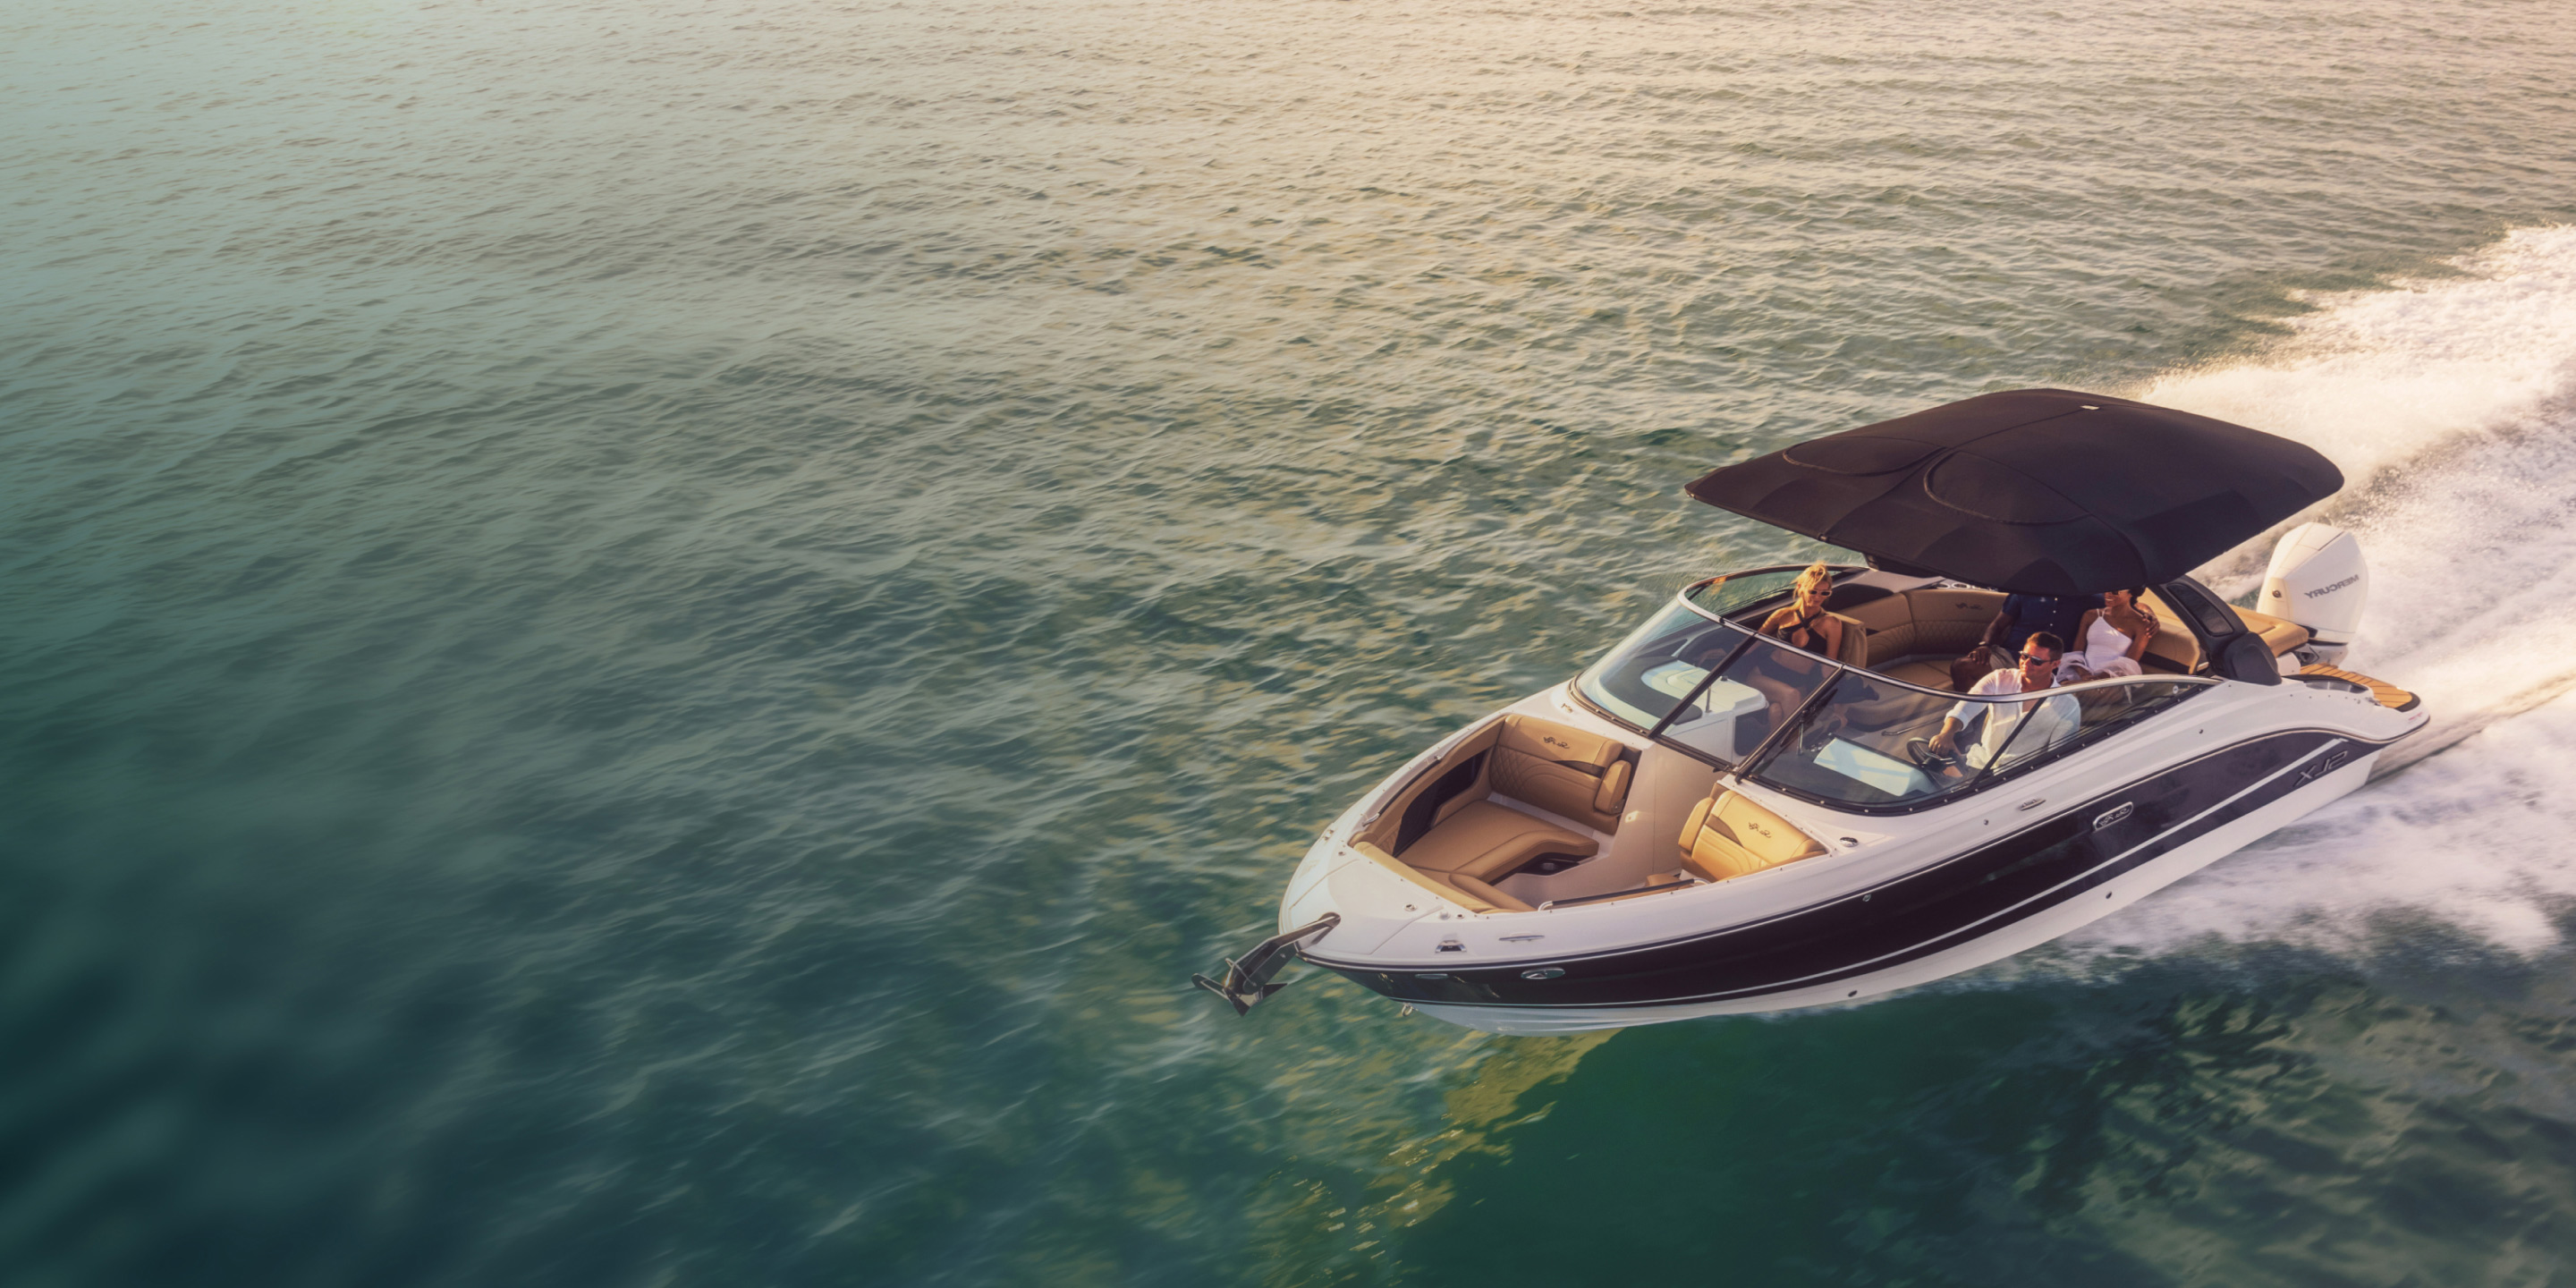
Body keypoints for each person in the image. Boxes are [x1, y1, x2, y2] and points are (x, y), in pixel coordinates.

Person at [1919, 631, 2081, 777]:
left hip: (2020, 777)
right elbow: (1967, 706)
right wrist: (1947, 733)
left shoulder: (2068, 706)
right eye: (2024, 656)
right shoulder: (1999, 678)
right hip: (1979, 764)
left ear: (2055, 664)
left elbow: (2056, 759)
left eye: (2036, 661)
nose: (2026, 663)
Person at [1741, 564, 1846, 746]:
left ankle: (1768, 753)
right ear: (1800, 588)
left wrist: (1837, 704)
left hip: (1797, 680)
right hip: (1764, 674)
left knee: (1776, 711)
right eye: (1813, 591)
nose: (1818, 597)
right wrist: (1724, 652)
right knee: (1791, 696)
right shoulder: (1782, 615)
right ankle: (1790, 753)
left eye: (1825, 593)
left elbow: (1830, 664)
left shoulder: (1831, 623)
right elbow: (1753, 643)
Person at [1958, 589, 2099, 684]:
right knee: (1963, 667)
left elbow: (2114, 621)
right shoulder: (2024, 592)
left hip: (2055, 665)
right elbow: (1998, 625)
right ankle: (1976, 721)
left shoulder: (2091, 600)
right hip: (2013, 656)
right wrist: (1985, 645)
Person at [2058, 586, 2157, 682]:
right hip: (2083, 676)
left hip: (2112, 679)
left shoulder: (2142, 625)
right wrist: (2084, 674)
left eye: (2115, 592)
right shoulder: (2091, 615)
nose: (2107, 594)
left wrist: (2099, 678)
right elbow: (2076, 653)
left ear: (2131, 593)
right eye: (2106, 589)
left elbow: (2129, 663)